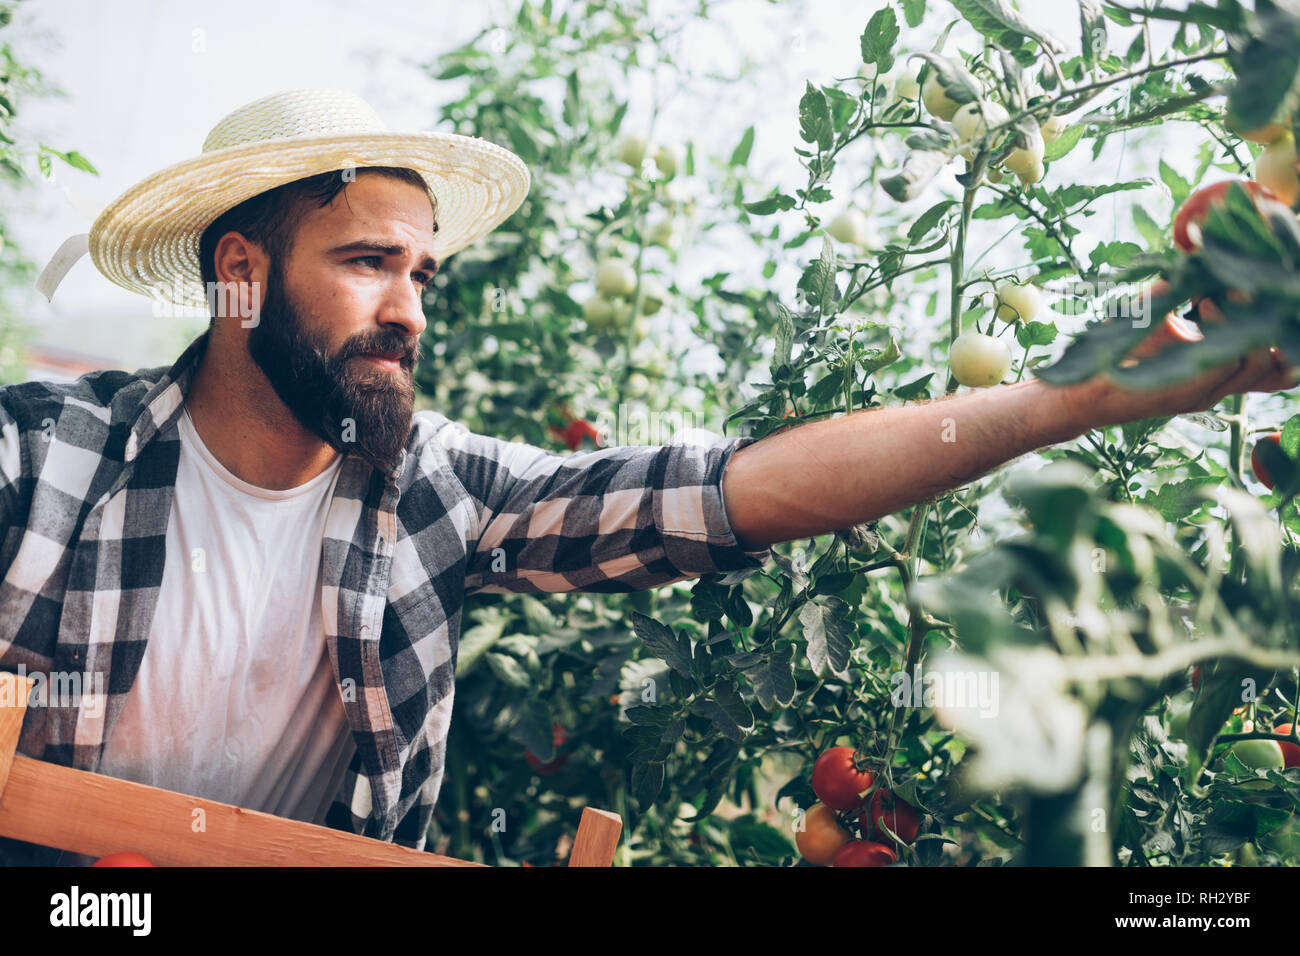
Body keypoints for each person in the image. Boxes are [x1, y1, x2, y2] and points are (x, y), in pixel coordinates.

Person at [0, 89, 1291, 866]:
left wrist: (1077, 400)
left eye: (424, 274)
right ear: (240, 273)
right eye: (366, 264)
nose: (409, 311)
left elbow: (726, 494)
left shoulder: (434, 493)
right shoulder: (47, 459)